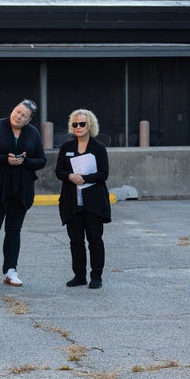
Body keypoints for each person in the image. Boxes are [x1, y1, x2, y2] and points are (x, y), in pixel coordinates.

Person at [0, 99, 46, 287]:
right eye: (17, 111)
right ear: (13, 110)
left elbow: (41, 160)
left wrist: (25, 162)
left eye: (23, 115)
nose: (18, 116)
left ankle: (10, 271)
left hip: (21, 191)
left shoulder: (33, 133)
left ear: (29, 120)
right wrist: (5, 159)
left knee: (13, 231)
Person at [56, 109, 111, 289]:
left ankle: (96, 276)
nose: (78, 127)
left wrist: (85, 178)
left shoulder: (98, 148)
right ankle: (79, 275)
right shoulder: (66, 148)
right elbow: (59, 171)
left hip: (93, 202)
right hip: (72, 201)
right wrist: (71, 177)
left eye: (82, 124)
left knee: (95, 239)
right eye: (75, 124)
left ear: (90, 126)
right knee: (76, 240)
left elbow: (104, 173)